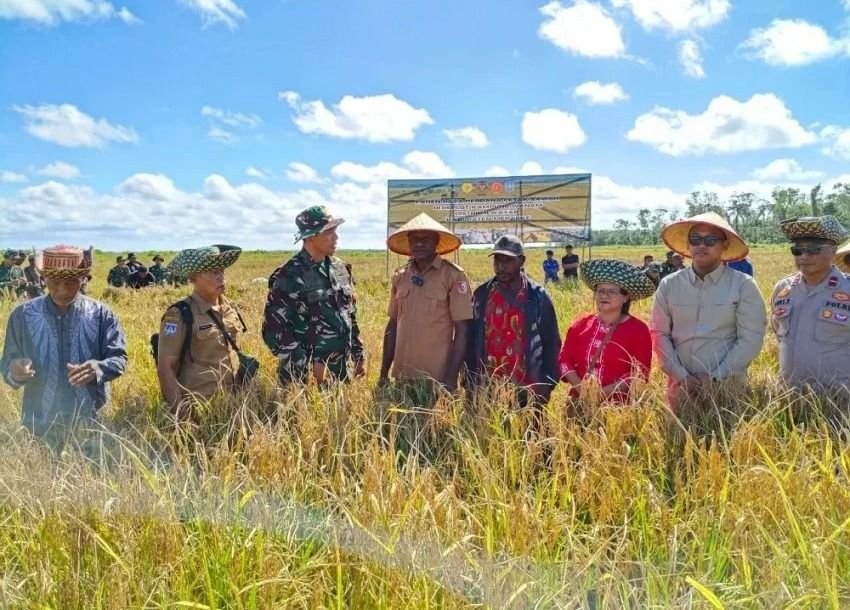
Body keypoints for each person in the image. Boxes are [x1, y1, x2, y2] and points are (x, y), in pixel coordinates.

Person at [0, 245, 127, 451]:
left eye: (71, 282)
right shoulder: (23, 315)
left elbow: (118, 357)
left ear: (83, 279)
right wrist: (15, 370)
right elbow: (7, 362)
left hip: (91, 423)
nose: (63, 290)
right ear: (43, 278)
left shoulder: (102, 314)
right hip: (38, 422)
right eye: (54, 282)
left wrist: (98, 368)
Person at [650, 212, 766, 411]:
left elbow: (751, 338)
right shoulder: (669, 285)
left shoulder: (743, 285)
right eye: (695, 239)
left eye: (711, 240)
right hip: (681, 390)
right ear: (688, 244)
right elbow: (659, 334)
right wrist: (681, 376)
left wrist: (715, 377)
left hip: (727, 390)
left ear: (724, 245)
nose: (702, 245)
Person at [263, 206, 365, 385]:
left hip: (340, 371)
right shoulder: (290, 275)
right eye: (329, 232)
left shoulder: (340, 268)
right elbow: (273, 331)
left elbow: (349, 315)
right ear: (311, 236)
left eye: (336, 231)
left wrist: (358, 354)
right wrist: (307, 365)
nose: (336, 237)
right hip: (303, 381)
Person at [379, 213, 472, 392]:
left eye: (426, 239)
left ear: (436, 242)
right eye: (414, 239)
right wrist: (383, 373)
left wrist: (451, 377)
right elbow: (393, 324)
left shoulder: (452, 276)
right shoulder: (401, 276)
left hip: (437, 379)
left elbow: (462, 330)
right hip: (403, 377)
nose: (419, 244)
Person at [467, 235, 561, 407]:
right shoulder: (482, 295)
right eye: (497, 260)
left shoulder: (537, 297)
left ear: (521, 261)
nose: (501, 267)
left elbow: (551, 342)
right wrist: (470, 381)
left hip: (529, 389)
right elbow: (471, 340)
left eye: (508, 261)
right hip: (489, 389)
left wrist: (547, 384)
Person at [157, 245, 246, 415]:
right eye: (213, 272)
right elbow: (166, 368)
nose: (221, 276)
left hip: (236, 405)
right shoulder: (179, 315)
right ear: (194, 278)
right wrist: (182, 416)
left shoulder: (230, 309)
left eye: (222, 271)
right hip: (201, 409)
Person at [770, 216, 850, 396]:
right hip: (789, 396)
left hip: (838, 398)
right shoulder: (783, 288)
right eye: (797, 250)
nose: (804, 256)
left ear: (833, 251)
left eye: (814, 249)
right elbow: (778, 331)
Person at [559, 259, 654, 404]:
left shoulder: (638, 330)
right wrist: (581, 389)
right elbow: (564, 360)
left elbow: (639, 372)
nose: (604, 295)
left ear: (625, 297)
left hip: (619, 410)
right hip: (579, 404)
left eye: (612, 292)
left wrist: (601, 394)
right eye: (600, 291)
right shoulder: (580, 325)